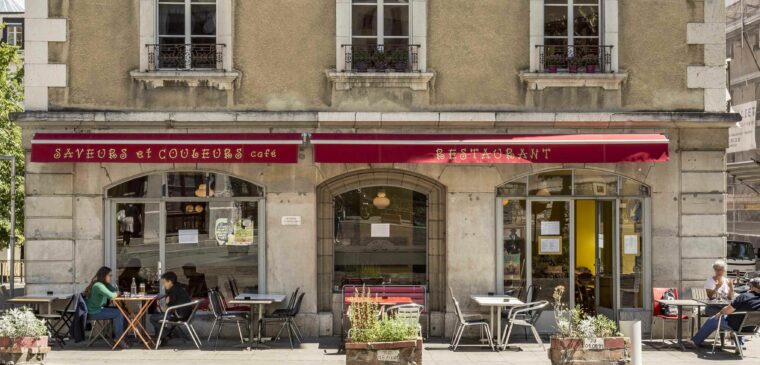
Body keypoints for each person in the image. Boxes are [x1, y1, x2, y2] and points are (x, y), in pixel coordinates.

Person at [692, 277, 760, 351]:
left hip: (735, 325)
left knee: (712, 320)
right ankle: (739, 345)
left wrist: (720, 312)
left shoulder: (744, 296)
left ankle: (695, 341)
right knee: (740, 319)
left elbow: (728, 310)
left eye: (750, 286)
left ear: (752, 287)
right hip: (751, 327)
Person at [84, 266, 128, 349]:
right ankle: (119, 339)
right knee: (119, 313)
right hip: (93, 312)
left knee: (123, 312)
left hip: (98, 309)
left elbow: (114, 290)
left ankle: (122, 337)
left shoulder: (104, 284)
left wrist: (116, 291)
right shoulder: (98, 285)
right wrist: (117, 293)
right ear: (103, 275)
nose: (111, 277)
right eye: (110, 275)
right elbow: (112, 295)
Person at [150, 272, 192, 346]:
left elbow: (170, 306)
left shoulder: (173, 290)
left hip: (179, 315)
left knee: (152, 318)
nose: (163, 285)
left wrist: (166, 303)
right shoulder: (179, 287)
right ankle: (164, 336)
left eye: (164, 282)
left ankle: (165, 334)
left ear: (170, 281)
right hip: (187, 314)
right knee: (158, 314)